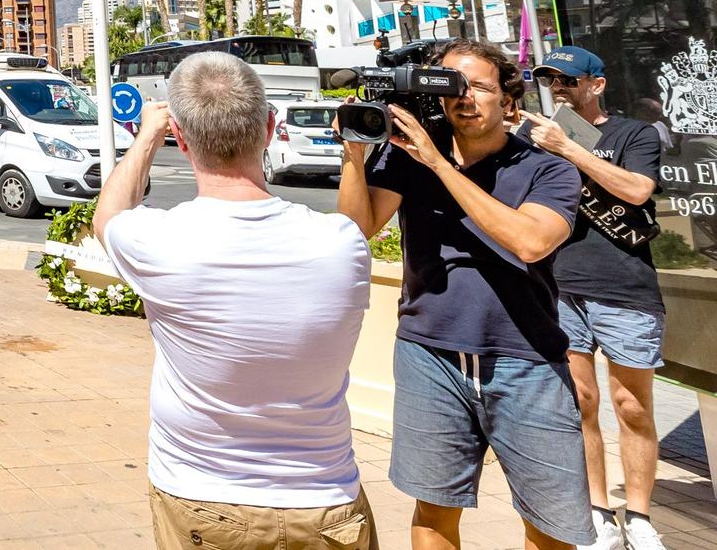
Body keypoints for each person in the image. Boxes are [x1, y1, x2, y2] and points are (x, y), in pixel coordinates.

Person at [96, 52, 376, 549]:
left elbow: (108, 216)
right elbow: (357, 223)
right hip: (326, 505)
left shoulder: (158, 242)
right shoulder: (341, 243)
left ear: (181, 140)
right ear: (270, 127)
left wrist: (144, 137)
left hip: (203, 502)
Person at [339, 38, 589, 550]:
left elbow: (531, 240)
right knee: (433, 509)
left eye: (478, 86)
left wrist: (439, 166)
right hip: (428, 352)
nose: (464, 97)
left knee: (552, 524)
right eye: (452, 86)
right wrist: (354, 153)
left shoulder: (548, 169)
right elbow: (355, 228)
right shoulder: (410, 159)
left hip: (527, 358)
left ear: (509, 101)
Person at [528, 47, 669, 550]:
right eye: (549, 80)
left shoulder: (633, 134)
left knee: (632, 405)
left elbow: (635, 190)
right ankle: (598, 512)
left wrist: (567, 148)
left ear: (597, 84)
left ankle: (641, 516)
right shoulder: (537, 137)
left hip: (624, 288)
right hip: (561, 286)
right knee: (581, 402)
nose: (557, 88)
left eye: (568, 79)